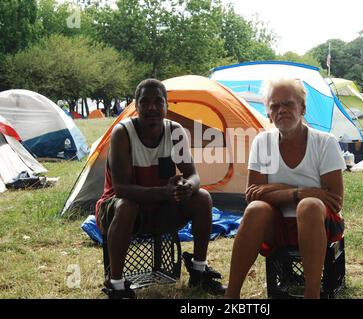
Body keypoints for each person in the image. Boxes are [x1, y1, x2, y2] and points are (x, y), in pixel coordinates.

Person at [96, 79, 226, 299]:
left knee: (202, 197)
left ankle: (199, 269)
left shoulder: (175, 132)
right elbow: (121, 189)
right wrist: (164, 193)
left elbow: (193, 175)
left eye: (158, 102)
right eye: (145, 102)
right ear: (136, 106)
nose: (152, 107)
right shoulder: (123, 133)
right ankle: (116, 285)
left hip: (159, 207)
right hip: (119, 210)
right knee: (127, 206)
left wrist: (188, 186)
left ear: (166, 106)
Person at [225, 78, 346, 299]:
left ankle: (312, 294)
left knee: (309, 207)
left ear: (303, 108)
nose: (281, 110)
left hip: (319, 225)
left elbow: (335, 200)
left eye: (288, 104)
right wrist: (300, 192)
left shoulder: (324, 142)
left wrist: (275, 190)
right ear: (269, 113)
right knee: (255, 210)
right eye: (274, 106)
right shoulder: (263, 142)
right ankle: (231, 296)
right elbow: (253, 194)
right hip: (277, 226)